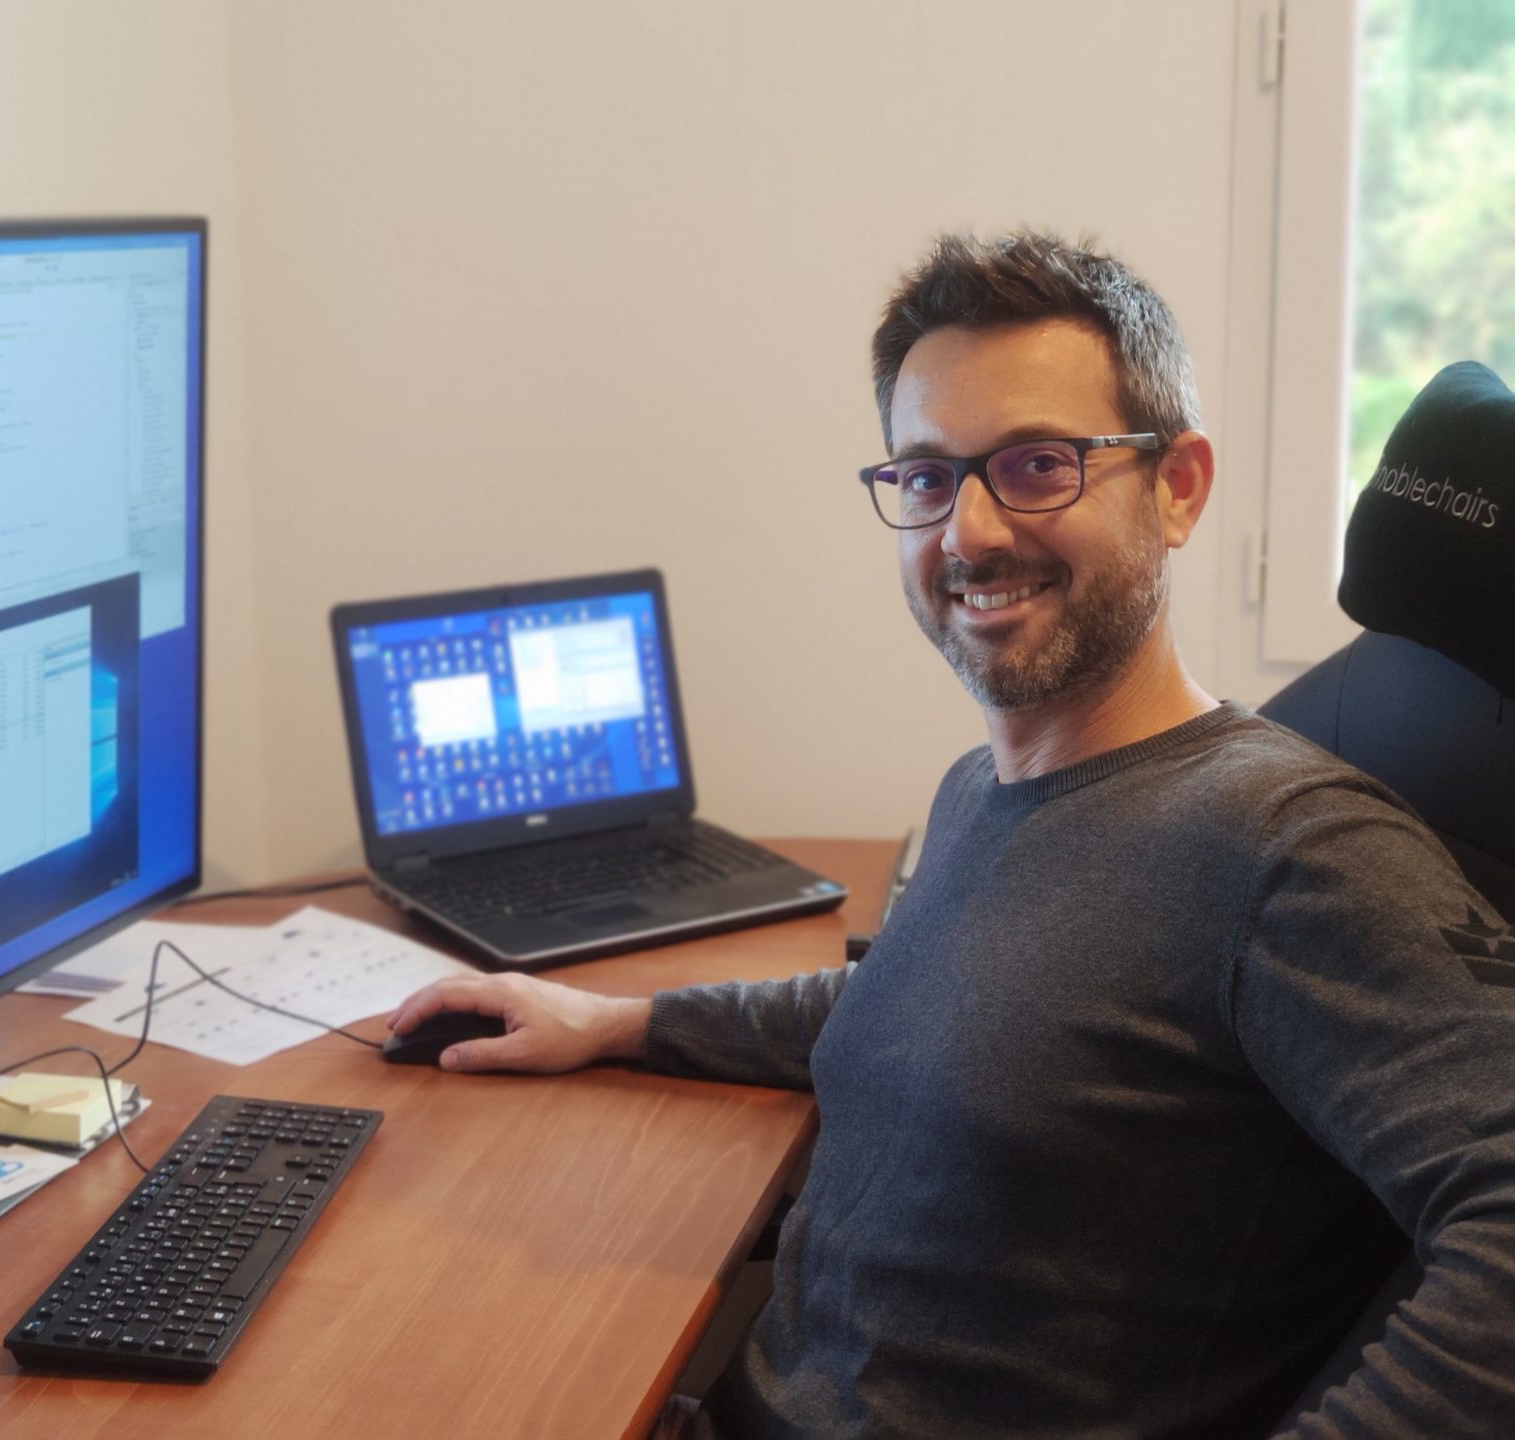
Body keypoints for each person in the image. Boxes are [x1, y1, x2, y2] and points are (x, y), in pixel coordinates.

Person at [386, 233, 1515, 1438]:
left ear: (1178, 487)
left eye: (1037, 466)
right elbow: (944, 1003)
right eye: (926, 478)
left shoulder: (1288, 851)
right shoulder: (983, 789)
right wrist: (619, 1023)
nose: (969, 532)